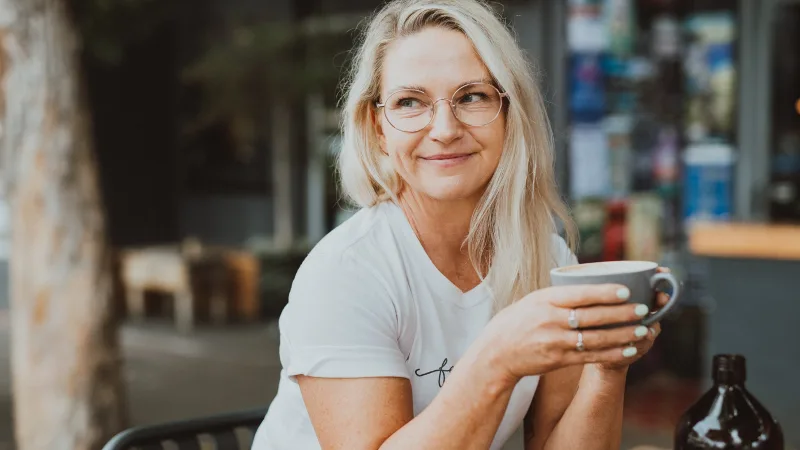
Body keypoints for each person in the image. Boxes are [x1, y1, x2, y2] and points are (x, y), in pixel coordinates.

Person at [253, 1, 667, 448]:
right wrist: (497, 358)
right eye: (410, 102)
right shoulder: (346, 272)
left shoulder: (546, 260)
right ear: (378, 128)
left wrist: (608, 365)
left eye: (472, 96)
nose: (445, 129)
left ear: (510, 114)